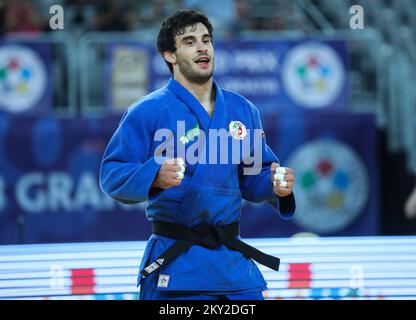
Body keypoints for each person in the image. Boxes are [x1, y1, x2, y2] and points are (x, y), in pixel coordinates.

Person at [99, 9, 296, 300]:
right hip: (178, 264)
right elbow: (112, 174)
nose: (203, 47)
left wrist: (276, 184)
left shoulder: (243, 110)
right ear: (170, 55)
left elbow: (253, 177)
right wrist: (155, 174)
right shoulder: (147, 111)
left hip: (232, 266)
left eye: (206, 40)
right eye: (190, 41)